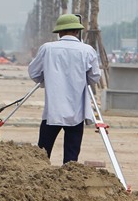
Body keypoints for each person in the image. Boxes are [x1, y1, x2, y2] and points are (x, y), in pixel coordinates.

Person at [27, 13, 102, 164]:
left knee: (42, 154)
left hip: (52, 112)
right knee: (71, 158)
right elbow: (94, 77)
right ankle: (69, 181)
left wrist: (45, 79)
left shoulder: (47, 49)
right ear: (77, 31)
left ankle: (40, 179)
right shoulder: (87, 51)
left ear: (59, 32)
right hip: (77, 112)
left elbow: (34, 72)